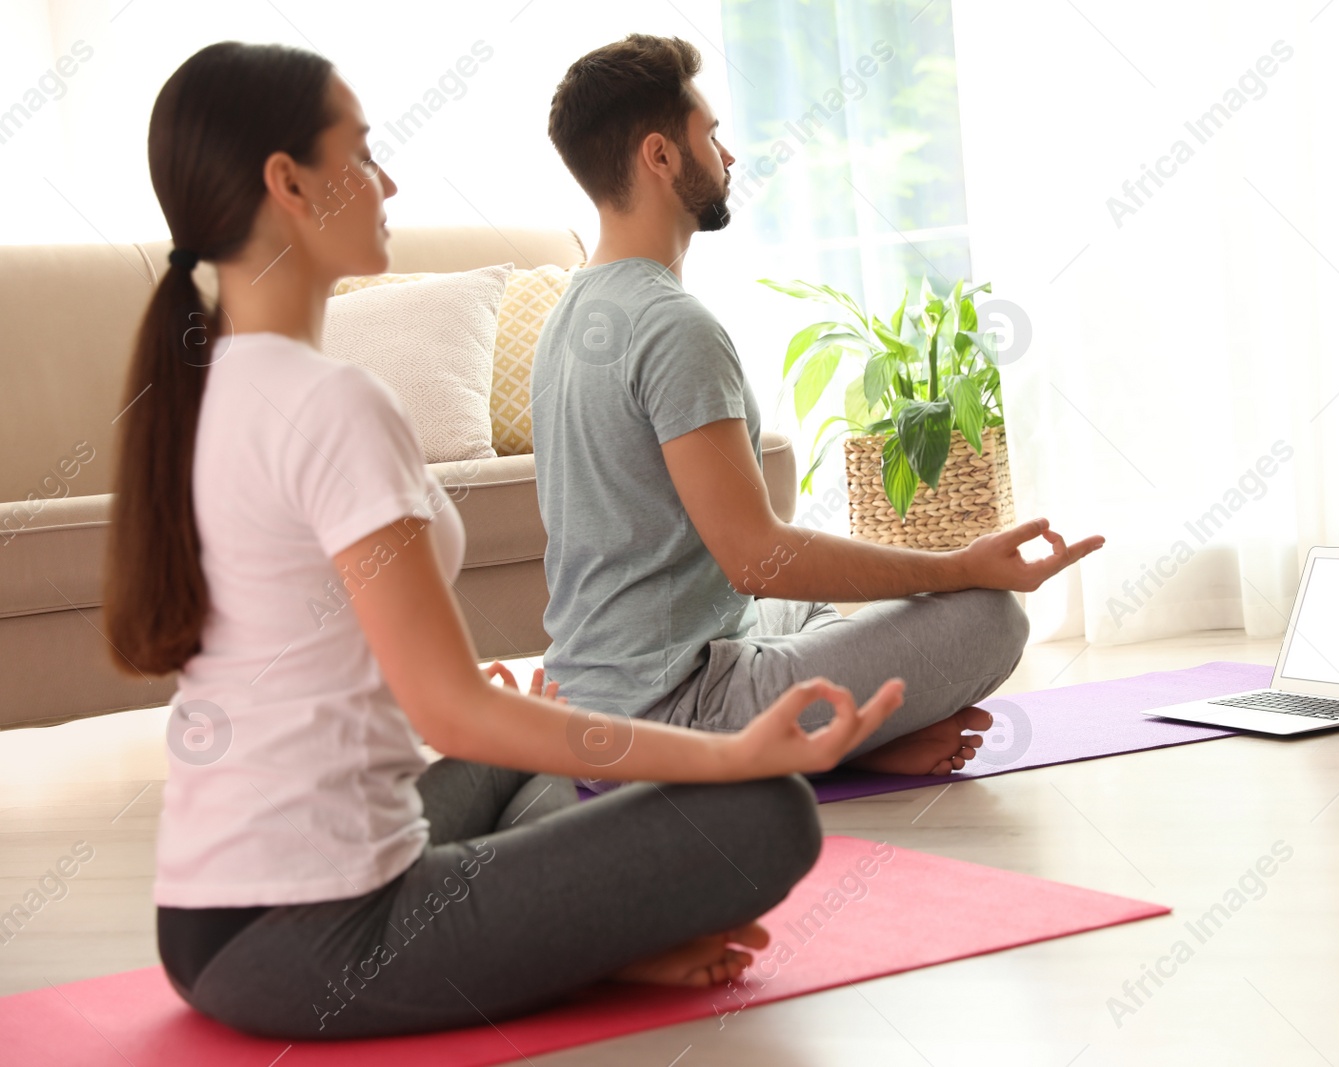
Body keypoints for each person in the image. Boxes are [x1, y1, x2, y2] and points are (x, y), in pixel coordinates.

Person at [104, 41, 902, 1041]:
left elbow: (319, 653)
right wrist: (728, 752)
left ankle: (572, 924)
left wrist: (476, 711)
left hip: (207, 914)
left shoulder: (203, 388)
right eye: (362, 152)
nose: (387, 182)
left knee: (538, 725)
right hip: (318, 938)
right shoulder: (331, 403)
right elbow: (458, 710)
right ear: (289, 182)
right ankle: (590, 940)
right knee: (766, 809)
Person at [534, 35, 1105, 778]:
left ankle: (849, 739)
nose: (729, 156)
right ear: (661, 157)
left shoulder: (566, 314)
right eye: (710, 133)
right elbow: (757, 558)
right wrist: (958, 565)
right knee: (992, 616)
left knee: (805, 614)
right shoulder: (672, 325)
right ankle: (819, 750)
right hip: (674, 718)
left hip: (590, 699)